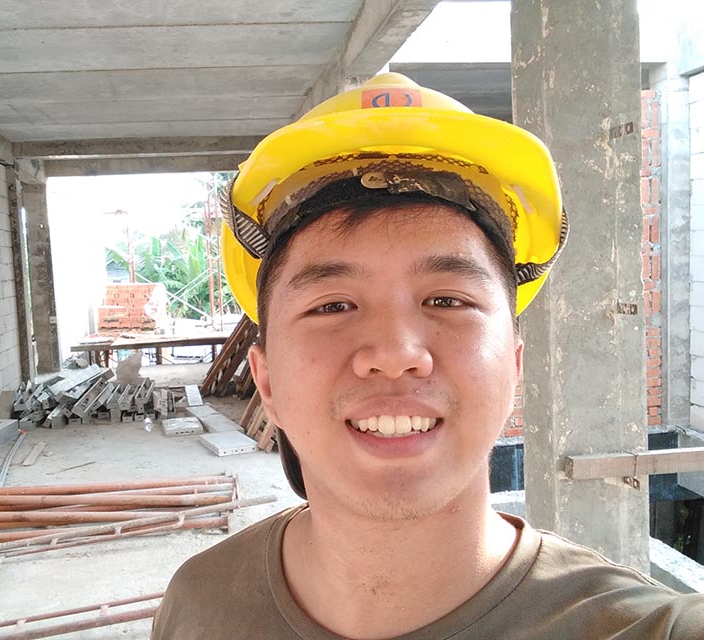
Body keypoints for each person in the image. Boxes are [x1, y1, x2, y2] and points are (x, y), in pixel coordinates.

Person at [151, 73, 703, 639]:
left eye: (447, 300)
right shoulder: (199, 606)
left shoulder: (648, 628)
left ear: (513, 368)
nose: (395, 354)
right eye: (333, 305)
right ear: (266, 382)